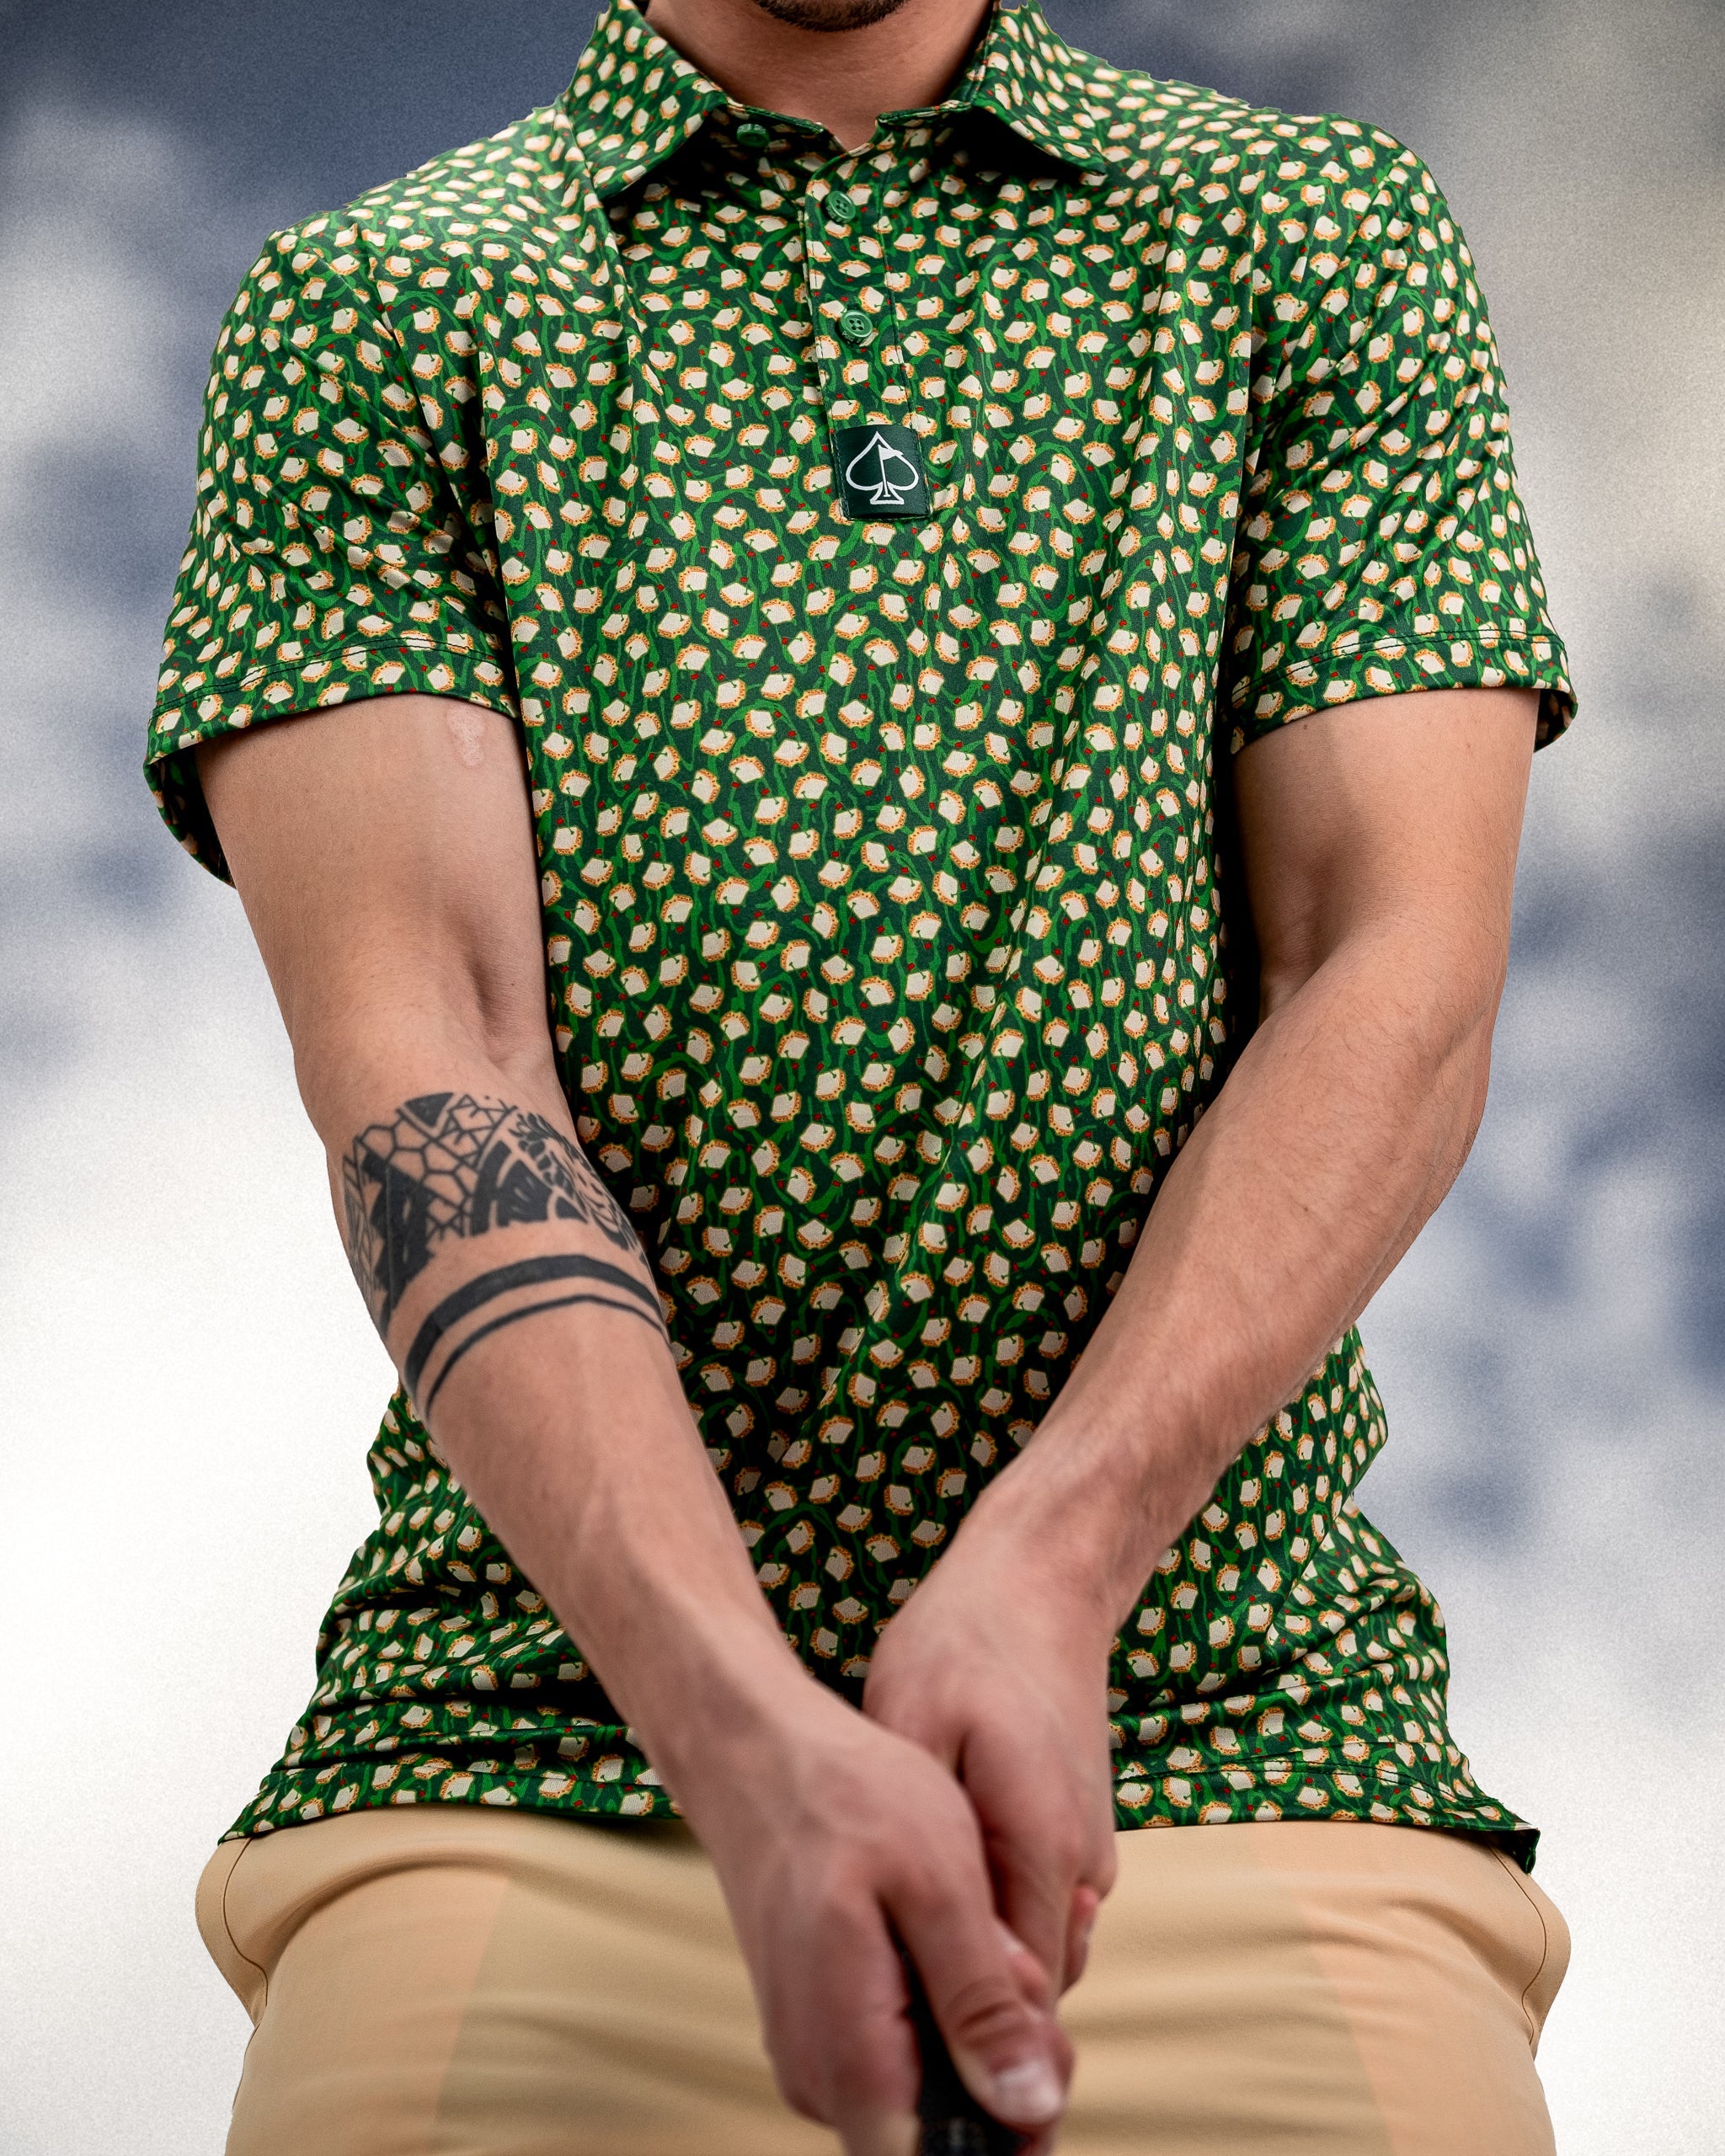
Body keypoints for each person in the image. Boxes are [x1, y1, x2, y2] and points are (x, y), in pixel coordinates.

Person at [147, 0, 1577, 2148]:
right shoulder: (380, 302)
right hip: (525, 1767)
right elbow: (432, 1059)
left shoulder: (1306, 237)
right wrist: (737, 1728)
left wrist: (1050, 1572)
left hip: (1241, 1748)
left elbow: (1391, 963)